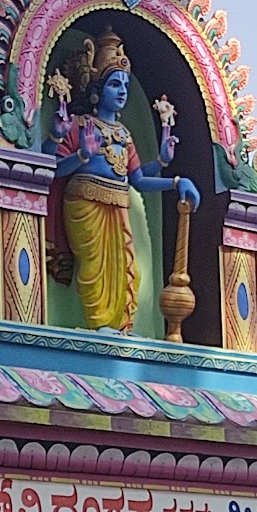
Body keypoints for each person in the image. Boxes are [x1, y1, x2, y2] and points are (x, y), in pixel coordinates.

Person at [45, 27, 199, 332]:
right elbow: (52, 169)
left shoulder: (124, 135)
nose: (122, 91)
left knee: (128, 269)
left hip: (119, 205)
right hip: (84, 204)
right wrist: (81, 155)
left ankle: (120, 327)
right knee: (94, 267)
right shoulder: (80, 125)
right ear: (97, 90)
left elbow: (138, 180)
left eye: (125, 85)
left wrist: (171, 175)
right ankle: (98, 324)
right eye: (115, 84)